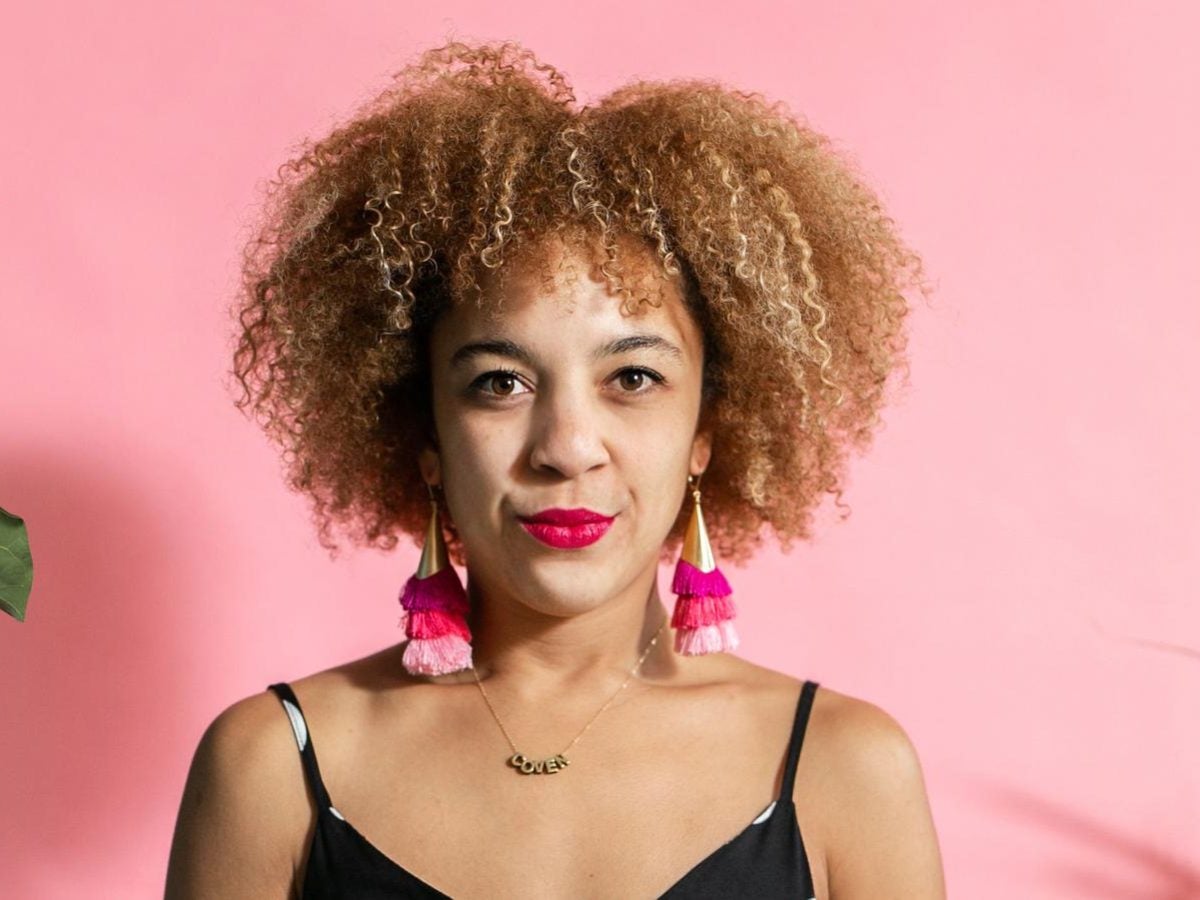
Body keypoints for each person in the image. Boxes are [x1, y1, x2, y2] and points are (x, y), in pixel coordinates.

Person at [165, 40, 945, 899]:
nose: (567, 447)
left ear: (705, 433)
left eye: (633, 378)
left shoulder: (847, 772)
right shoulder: (270, 768)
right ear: (426, 439)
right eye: (501, 383)